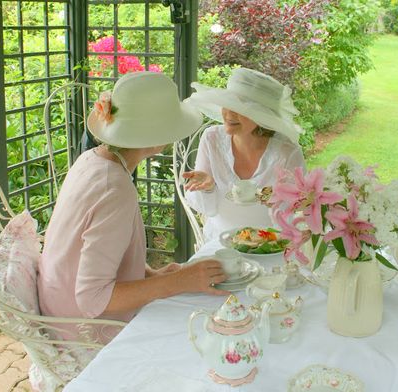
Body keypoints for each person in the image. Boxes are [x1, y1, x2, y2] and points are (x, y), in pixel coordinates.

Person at [37, 72, 228, 336]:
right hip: (80, 330)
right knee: (203, 331)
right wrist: (179, 281)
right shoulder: (114, 188)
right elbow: (93, 298)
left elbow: (85, 254)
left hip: (56, 307)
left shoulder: (91, 160)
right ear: (156, 134)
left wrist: (151, 275)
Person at [182, 67, 305, 241]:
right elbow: (205, 208)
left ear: (262, 117)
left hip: (273, 244)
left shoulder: (287, 152)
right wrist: (208, 189)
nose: (229, 114)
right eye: (228, 104)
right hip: (221, 242)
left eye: (240, 109)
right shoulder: (212, 139)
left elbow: (297, 203)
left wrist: (278, 198)